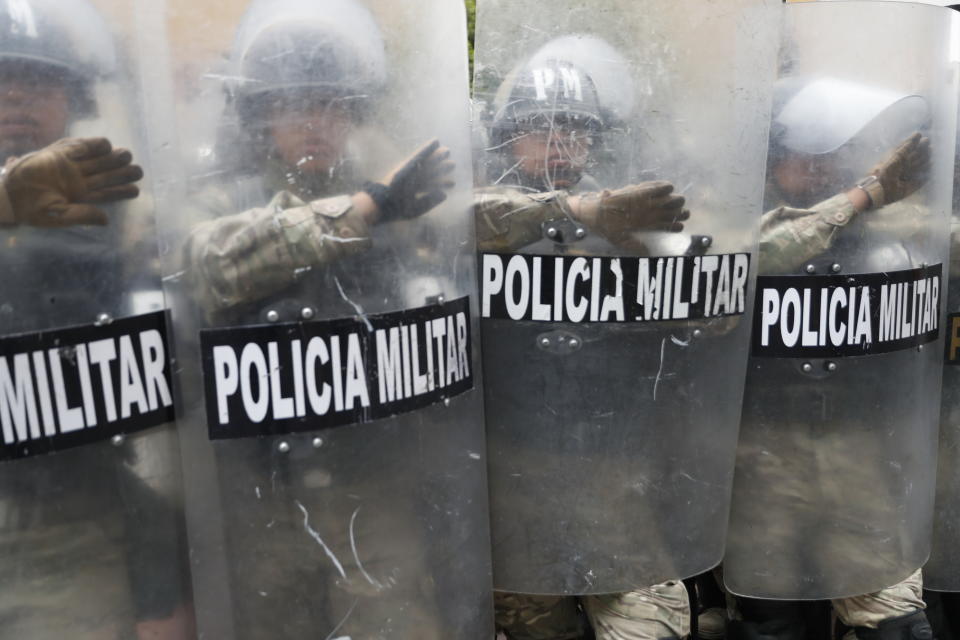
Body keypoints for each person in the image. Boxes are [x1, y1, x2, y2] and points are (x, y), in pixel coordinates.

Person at [173, 1, 491, 637]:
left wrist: (573, 209)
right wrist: (365, 207)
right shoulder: (218, 196)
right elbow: (205, 264)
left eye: (331, 103)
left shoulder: (399, 192)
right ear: (260, 114)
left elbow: (472, 220)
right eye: (292, 104)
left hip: (372, 484)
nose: (314, 122)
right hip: (259, 492)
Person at [475, 55, 694, 640]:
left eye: (574, 130)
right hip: (512, 484)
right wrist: (577, 213)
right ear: (507, 139)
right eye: (539, 130)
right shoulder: (477, 218)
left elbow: (710, 307)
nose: (559, 145)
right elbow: (453, 223)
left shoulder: (635, 217)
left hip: (616, 478)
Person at [0, 0, 194, 638]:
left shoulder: (121, 207)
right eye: (3, 78)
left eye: (40, 81)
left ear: (71, 98)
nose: (19, 98)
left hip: (75, 510)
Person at [724, 77, 935, 640]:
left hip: (857, 456)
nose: (823, 169)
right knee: (772, 622)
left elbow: (942, 238)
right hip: (758, 458)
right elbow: (753, 258)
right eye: (804, 157)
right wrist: (859, 197)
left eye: (836, 155)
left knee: (896, 623)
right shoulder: (734, 218)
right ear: (771, 159)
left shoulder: (882, 220)